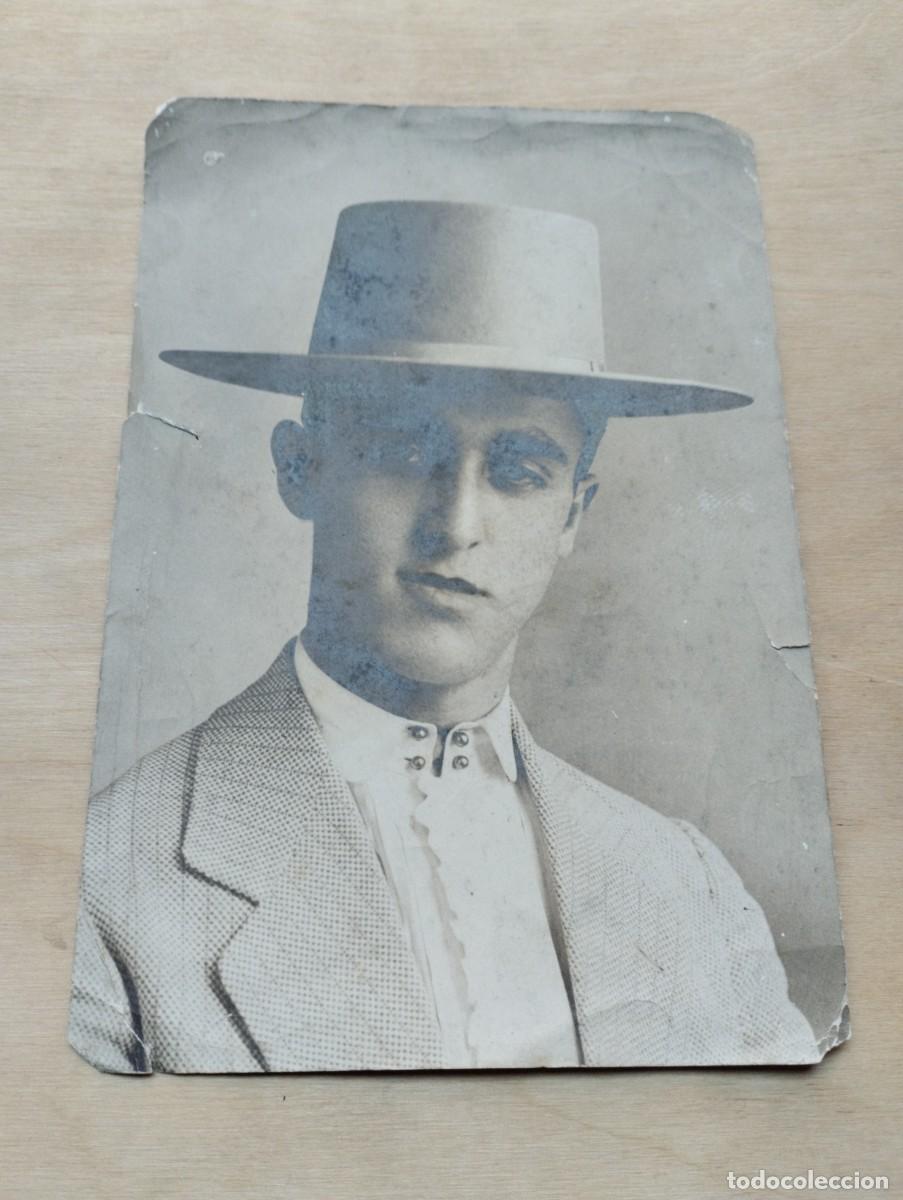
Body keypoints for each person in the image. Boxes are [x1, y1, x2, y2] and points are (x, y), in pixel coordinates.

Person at [69, 201, 820, 1073]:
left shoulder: (682, 883)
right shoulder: (106, 884)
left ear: (572, 513)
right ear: (300, 468)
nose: (455, 524)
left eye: (517, 472)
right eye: (401, 448)